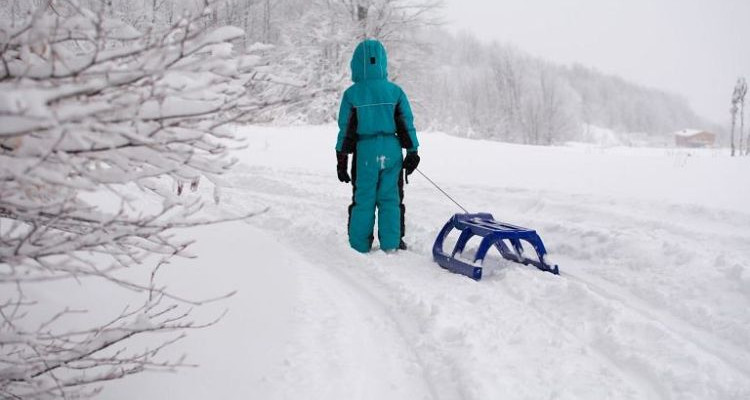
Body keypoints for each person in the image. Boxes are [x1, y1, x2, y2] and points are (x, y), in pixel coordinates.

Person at [335, 39, 420, 253]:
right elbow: (406, 123)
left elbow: (346, 129)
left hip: (365, 152)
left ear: (356, 64)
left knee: (363, 198)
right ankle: (391, 244)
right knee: (391, 198)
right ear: (382, 62)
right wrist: (412, 151)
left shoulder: (352, 94)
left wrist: (342, 158)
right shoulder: (395, 92)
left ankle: (359, 245)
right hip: (391, 150)